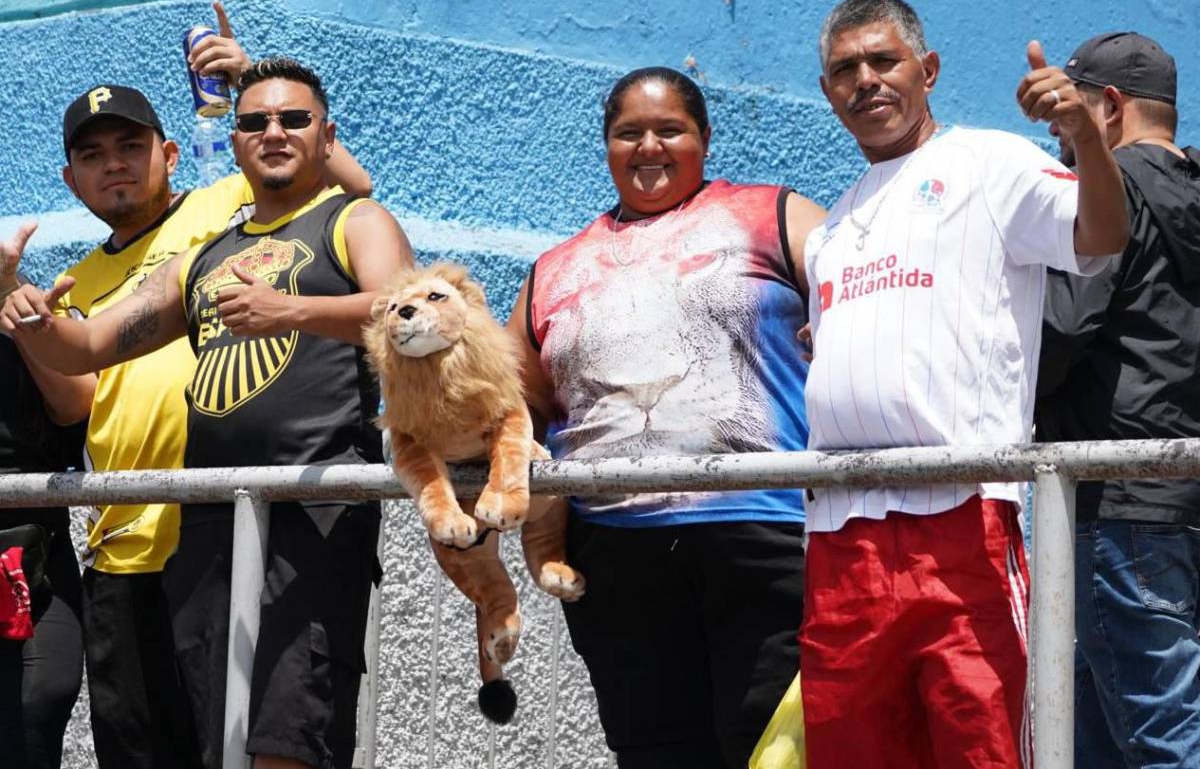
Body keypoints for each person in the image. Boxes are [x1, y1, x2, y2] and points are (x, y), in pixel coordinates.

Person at [1, 56, 412, 769]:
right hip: (188, 532)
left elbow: (409, 304)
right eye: (254, 123)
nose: (273, 133)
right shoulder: (196, 261)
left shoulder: (328, 215)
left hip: (306, 507)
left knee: (284, 743)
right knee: (207, 747)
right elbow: (85, 351)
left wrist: (290, 309)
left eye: (293, 120)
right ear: (235, 141)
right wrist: (25, 309)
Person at [799, 0, 1129, 768]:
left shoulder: (990, 163)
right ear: (827, 91)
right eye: (845, 69)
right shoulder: (832, 228)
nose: (866, 81)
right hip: (838, 537)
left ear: (929, 70)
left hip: (962, 519)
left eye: (884, 61)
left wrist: (1083, 133)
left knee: (985, 753)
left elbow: (1103, 234)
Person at [506, 66, 826, 769]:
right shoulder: (554, 267)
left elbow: (864, 300)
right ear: (606, 145)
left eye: (669, 130)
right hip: (614, 553)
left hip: (765, 533)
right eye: (629, 133)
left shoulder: (775, 214)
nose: (649, 147)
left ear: (704, 138)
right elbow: (513, 400)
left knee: (774, 751)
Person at [1035, 32, 1200, 768]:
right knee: (1098, 735)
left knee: (1164, 740)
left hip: (1119, 502)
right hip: (1183, 494)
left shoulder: (1109, 188)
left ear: (1108, 106)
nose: (1059, 136)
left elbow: (1064, 326)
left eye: (1067, 115)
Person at [0, 288, 85, 769]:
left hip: (34, 553)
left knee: (42, 699)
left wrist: (14, 305)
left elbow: (76, 412)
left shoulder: (26, 304)